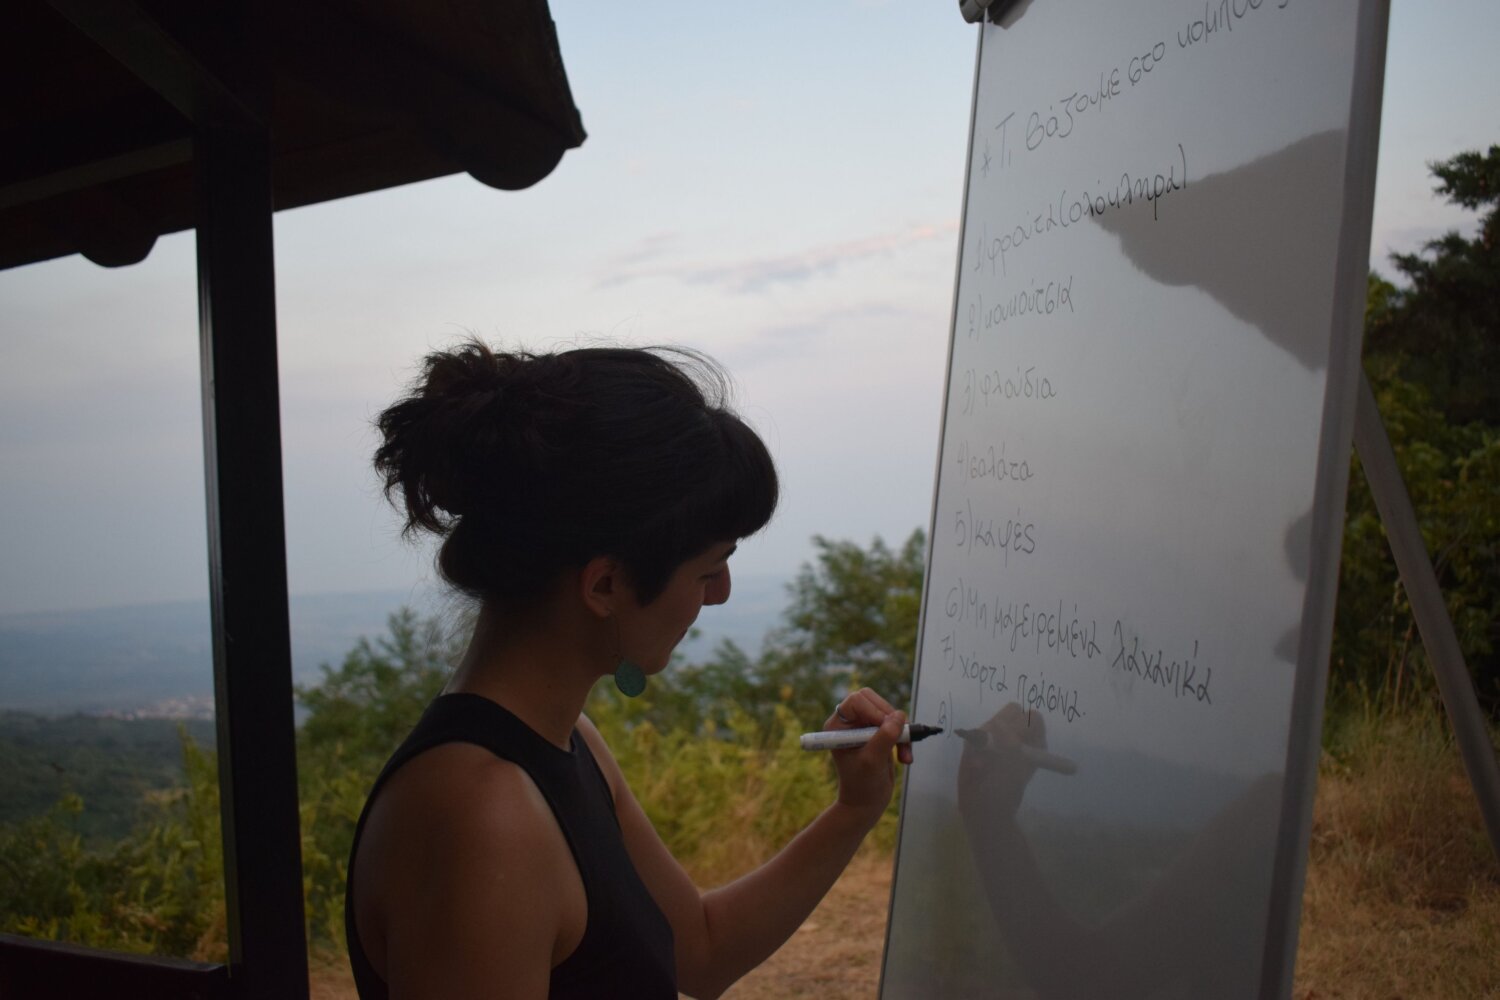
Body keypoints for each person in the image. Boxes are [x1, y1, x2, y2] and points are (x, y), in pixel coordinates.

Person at [345, 340, 914, 999]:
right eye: (708, 569)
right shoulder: (482, 817)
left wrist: (854, 809)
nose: (721, 593)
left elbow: (699, 949)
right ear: (606, 585)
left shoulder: (567, 743)